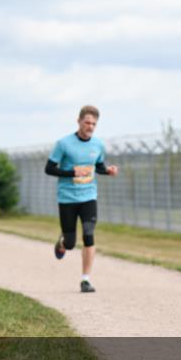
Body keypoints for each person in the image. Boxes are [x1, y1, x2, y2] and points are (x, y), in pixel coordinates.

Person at [45, 105, 119, 293]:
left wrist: (108, 170)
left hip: (88, 196)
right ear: (79, 121)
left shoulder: (98, 145)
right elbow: (49, 168)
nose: (90, 127)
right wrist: (71, 172)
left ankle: (85, 280)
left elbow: (98, 166)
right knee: (70, 243)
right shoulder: (63, 144)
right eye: (87, 122)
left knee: (88, 233)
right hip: (67, 198)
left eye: (94, 124)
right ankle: (62, 243)